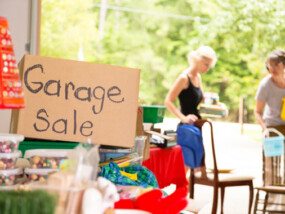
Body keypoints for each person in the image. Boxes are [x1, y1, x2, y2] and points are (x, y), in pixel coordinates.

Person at [164, 46, 217, 176]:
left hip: (197, 126)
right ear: (198, 60)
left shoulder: (198, 77)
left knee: (195, 167)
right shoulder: (184, 78)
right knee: (185, 167)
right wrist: (183, 118)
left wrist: (218, 106)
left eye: (209, 66)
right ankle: (181, 194)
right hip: (186, 128)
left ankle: (186, 194)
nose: (207, 68)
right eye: (206, 64)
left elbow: (202, 101)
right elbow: (168, 101)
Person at [254, 49, 285, 186]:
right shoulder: (265, 84)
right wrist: (264, 128)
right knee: (271, 167)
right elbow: (258, 112)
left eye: (276, 65)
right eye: (270, 65)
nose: (272, 68)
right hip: (272, 127)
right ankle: (272, 196)